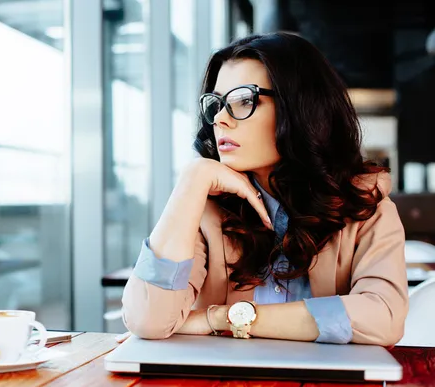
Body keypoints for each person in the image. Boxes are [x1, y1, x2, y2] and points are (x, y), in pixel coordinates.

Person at [121, 32, 408, 346]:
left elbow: (383, 317)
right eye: (216, 104)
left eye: (244, 100)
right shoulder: (205, 206)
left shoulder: (365, 205)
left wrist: (221, 318)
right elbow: (147, 320)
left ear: (299, 107)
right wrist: (192, 179)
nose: (219, 119)